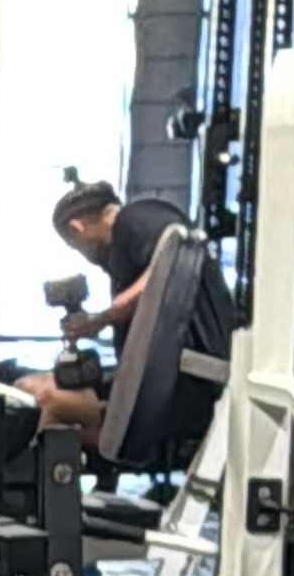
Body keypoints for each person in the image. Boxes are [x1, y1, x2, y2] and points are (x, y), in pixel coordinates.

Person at [14, 169, 175, 430]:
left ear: (77, 228)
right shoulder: (125, 260)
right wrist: (94, 323)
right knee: (26, 387)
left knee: (47, 402)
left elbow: (169, 269)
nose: (83, 254)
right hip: (140, 380)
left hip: (164, 391)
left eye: (75, 245)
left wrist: (103, 318)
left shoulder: (131, 220)